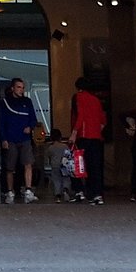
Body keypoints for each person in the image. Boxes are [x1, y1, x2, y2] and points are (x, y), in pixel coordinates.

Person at [0, 77, 39, 205]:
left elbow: (33, 119)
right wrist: (3, 139)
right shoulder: (4, 103)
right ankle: (10, 192)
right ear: (12, 88)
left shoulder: (28, 101)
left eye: (23, 87)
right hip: (11, 139)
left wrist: (30, 127)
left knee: (28, 164)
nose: (21, 90)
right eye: (19, 87)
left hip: (25, 138)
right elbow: (1, 122)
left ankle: (28, 191)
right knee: (10, 167)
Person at [69, 76, 107, 205]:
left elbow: (80, 115)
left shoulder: (78, 97)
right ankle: (97, 195)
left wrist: (74, 132)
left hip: (83, 135)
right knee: (95, 167)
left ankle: (79, 191)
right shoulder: (96, 100)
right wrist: (96, 130)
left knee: (77, 164)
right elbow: (103, 121)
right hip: (96, 136)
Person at [45, 127, 73, 202]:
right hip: (64, 166)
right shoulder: (65, 146)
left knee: (56, 180)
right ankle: (66, 190)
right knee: (66, 179)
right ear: (60, 137)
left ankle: (58, 196)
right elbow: (68, 155)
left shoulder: (51, 147)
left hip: (55, 166)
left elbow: (48, 156)